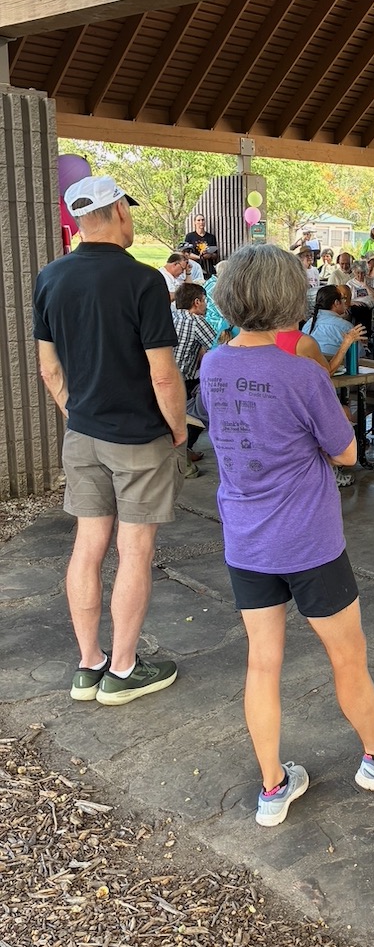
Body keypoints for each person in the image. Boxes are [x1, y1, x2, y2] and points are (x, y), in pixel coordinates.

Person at [199, 245, 374, 826]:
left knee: (262, 663)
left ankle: (273, 786)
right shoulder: (302, 373)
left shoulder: (212, 364)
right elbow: (347, 451)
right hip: (308, 540)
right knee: (347, 657)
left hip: (245, 538)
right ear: (290, 298)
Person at [32, 174, 185, 707]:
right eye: (129, 208)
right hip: (139, 437)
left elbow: (49, 370)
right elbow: (163, 376)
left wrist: (77, 412)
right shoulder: (143, 282)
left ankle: (88, 664)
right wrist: (180, 429)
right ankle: (123, 669)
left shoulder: (49, 278)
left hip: (84, 434)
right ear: (118, 209)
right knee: (135, 550)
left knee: (88, 545)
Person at [172, 281, 218, 464]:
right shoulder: (197, 321)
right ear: (197, 302)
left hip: (164, 373)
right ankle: (185, 450)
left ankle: (183, 450)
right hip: (183, 379)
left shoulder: (172, 316)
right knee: (202, 409)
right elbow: (217, 348)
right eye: (205, 301)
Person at [305, 285, 366, 372]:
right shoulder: (345, 326)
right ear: (336, 303)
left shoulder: (308, 324)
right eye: (342, 299)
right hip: (335, 372)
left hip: (310, 372)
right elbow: (359, 355)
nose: (344, 302)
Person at [181, 214, 219, 279]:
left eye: (203, 220)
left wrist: (210, 255)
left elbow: (216, 255)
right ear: (195, 222)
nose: (201, 222)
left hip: (208, 268)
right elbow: (186, 254)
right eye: (198, 220)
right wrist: (200, 257)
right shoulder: (190, 236)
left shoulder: (211, 237)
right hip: (194, 268)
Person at [299, 247, 322, 321]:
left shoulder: (315, 270)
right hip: (303, 302)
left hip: (314, 301)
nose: (310, 257)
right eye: (307, 255)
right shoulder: (299, 270)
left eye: (311, 255)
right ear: (301, 257)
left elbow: (317, 284)